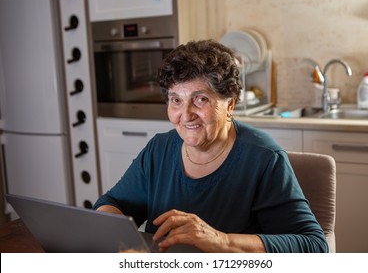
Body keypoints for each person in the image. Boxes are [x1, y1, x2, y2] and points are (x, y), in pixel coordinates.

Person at [93, 39, 328, 253]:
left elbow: (314, 247)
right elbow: (112, 204)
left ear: (230, 105)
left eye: (200, 99)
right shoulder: (159, 149)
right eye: (176, 100)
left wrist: (221, 240)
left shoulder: (263, 158)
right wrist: (122, 244)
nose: (185, 115)